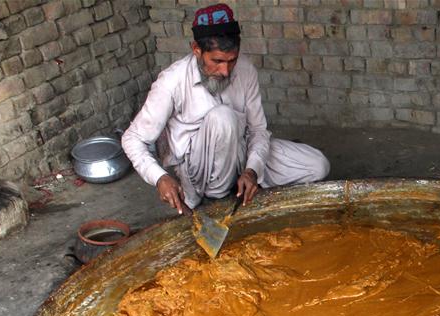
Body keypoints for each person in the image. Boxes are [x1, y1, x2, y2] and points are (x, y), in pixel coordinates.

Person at [121, 3, 329, 214]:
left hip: (241, 150)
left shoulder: (246, 71)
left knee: (317, 166)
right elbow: (132, 139)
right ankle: (218, 203)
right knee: (223, 118)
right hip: (199, 171)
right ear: (197, 50)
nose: (225, 71)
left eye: (232, 61)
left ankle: (242, 186)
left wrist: (252, 170)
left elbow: (258, 130)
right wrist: (160, 178)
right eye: (217, 61)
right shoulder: (172, 81)